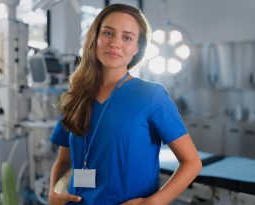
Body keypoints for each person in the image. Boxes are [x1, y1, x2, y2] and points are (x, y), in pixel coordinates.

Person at [48, 3, 202, 205]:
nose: (115, 43)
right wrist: (53, 192)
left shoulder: (151, 96)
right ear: (95, 38)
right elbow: (64, 161)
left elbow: (191, 163)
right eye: (108, 33)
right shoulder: (76, 97)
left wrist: (152, 203)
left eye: (127, 37)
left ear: (138, 47)